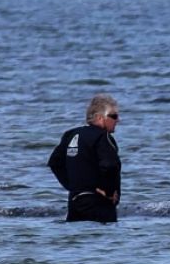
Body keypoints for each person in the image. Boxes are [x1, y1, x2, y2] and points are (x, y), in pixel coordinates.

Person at [48, 93, 122, 223]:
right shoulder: (102, 137)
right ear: (100, 117)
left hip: (75, 202)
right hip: (99, 203)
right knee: (106, 240)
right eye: (114, 116)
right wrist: (109, 192)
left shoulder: (70, 134)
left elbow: (55, 163)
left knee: (77, 240)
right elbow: (110, 165)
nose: (118, 120)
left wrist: (73, 186)